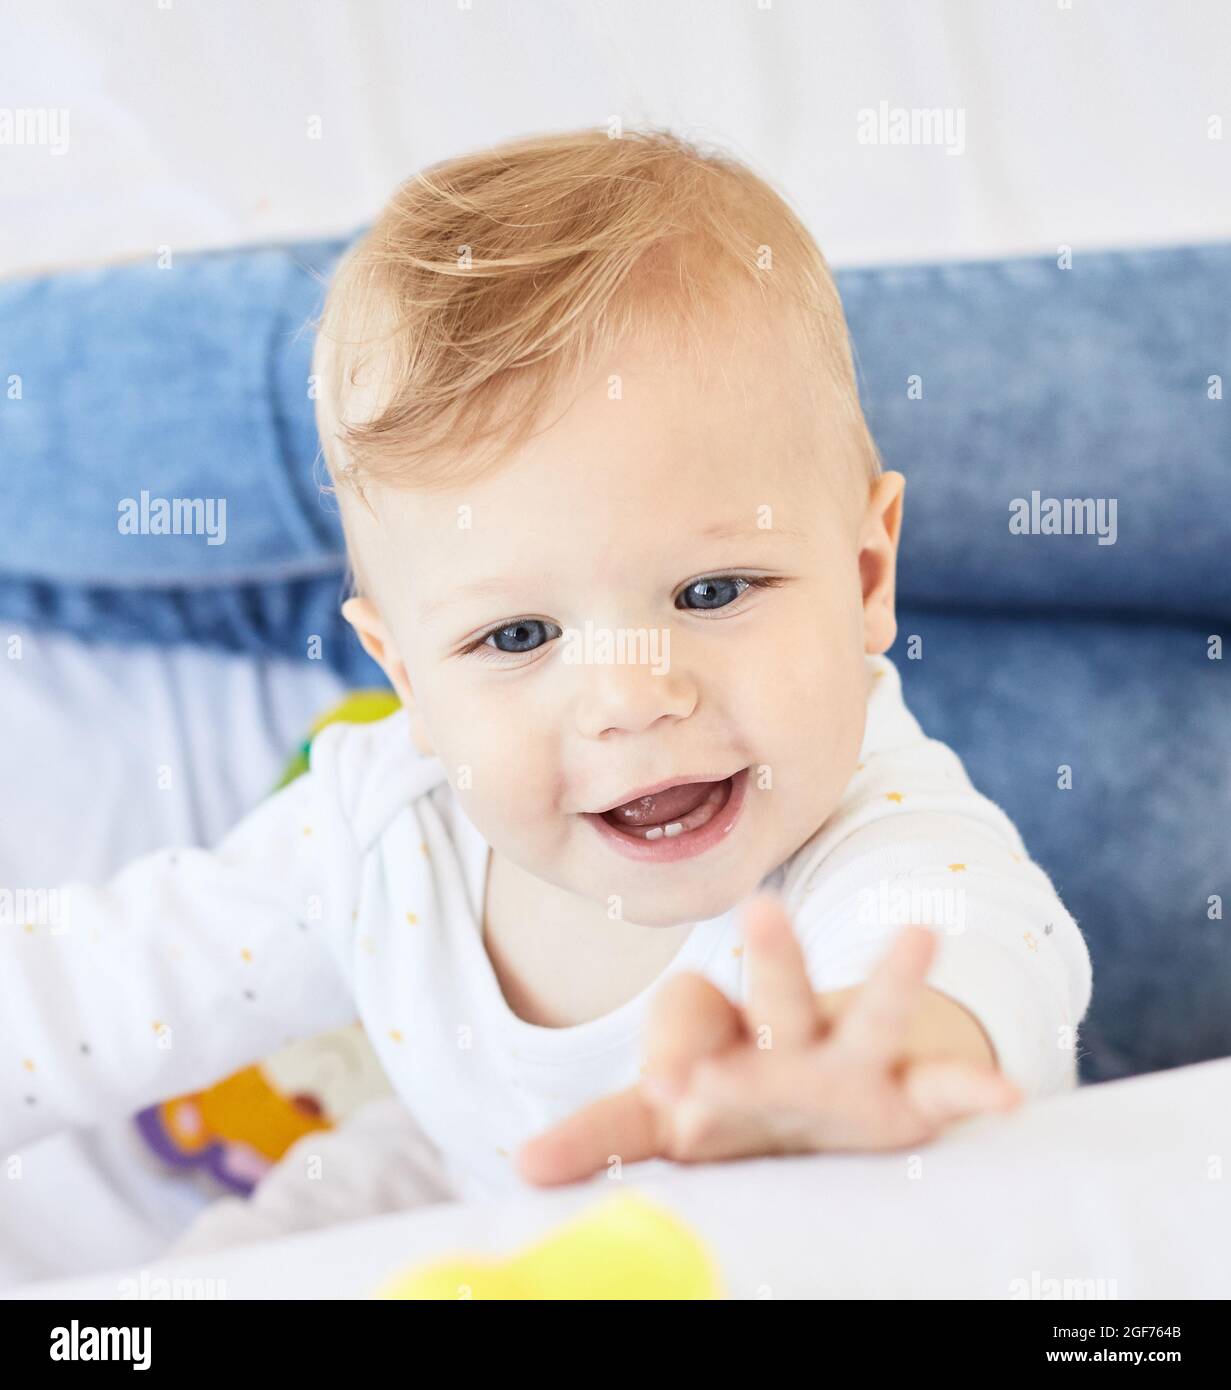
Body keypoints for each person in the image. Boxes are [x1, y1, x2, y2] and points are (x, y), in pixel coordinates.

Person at [1, 128, 1091, 1224]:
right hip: (474, 1186)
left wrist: (869, 1065)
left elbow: (991, 955)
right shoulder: (383, 829)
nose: (629, 698)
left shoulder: (873, 835)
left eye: (710, 593)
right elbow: (96, 984)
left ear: (864, 576)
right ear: (408, 680)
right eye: (518, 636)